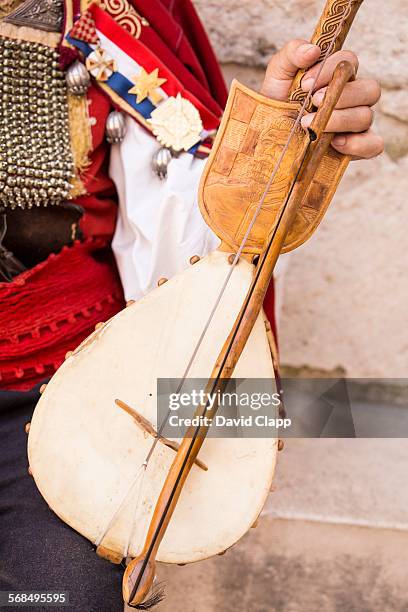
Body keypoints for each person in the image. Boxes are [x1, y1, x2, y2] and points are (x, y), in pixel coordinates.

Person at [0, 0, 383, 610]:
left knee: (58, 600)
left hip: (59, 400)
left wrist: (274, 153)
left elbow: (207, 241)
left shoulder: (96, 18)